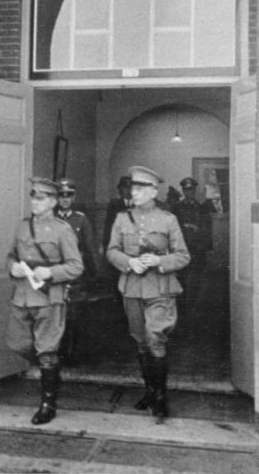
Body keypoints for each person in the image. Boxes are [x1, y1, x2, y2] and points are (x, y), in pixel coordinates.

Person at [106, 166, 190, 423]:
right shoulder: (122, 218)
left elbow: (183, 256)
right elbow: (111, 250)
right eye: (133, 188)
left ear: (154, 191)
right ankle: (150, 391)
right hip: (131, 286)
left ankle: (161, 397)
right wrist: (129, 263)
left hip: (160, 287)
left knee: (156, 337)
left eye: (141, 188)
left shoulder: (167, 219)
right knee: (141, 340)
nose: (135, 192)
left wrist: (158, 260)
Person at [6, 177, 83, 425]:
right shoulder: (22, 226)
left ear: (52, 202)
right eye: (33, 197)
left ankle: (48, 403)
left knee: (47, 350)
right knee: (17, 343)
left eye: (40, 198)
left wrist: (51, 272)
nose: (34, 202)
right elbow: (10, 256)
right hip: (22, 295)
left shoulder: (63, 229)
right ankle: (51, 371)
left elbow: (75, 266)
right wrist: (13, 268)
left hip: (49, 297)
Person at [55, 178, 98, 363]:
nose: (65, 199)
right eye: (61, 195)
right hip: (56, 272)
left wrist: (94, 274)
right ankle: (58, 352)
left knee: (75, 315)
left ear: (74, 197)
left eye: (69, 195)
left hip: (75, 274)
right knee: (56, 314)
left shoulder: (81, 219)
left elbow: (89, 248)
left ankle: (73, 354)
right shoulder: (50, 218)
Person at [172, 177, 212, 320]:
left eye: (191, 190)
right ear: (183, 191)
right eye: (186, 190)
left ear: (195, 191)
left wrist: (197, 230)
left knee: (195, 281)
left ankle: (194, 311)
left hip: (197, 251)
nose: (189, 193)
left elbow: (208, 231)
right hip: (180, 250)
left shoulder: (202, 208)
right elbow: (171, 229)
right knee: (180, 280)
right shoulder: (176, 208)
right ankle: (181, 311)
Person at [102, 176, 132, 252]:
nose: (128, 191)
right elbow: (108, 228)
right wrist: (106, 247)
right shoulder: (114, 206)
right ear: (120, 189)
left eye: (131, 188)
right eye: (125, 188)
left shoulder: (139, 205)